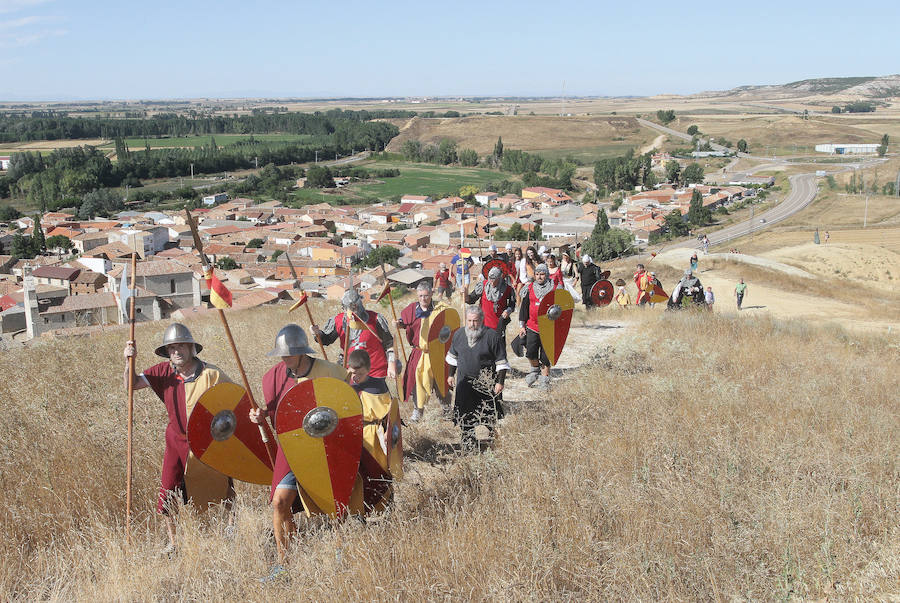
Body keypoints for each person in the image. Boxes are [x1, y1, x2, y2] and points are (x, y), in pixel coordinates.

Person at [123, 323, 233, 554]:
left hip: (208, 441)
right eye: (172, 347)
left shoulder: (212, 374)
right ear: (167, 352)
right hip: (176, 440)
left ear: (191, 347)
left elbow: (234, 402)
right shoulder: (163, 372)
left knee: (223, 485)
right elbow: (131, 385)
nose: (177, 351)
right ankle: (173, 542)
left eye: (181, 346)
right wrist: (128, 361)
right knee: (169, 489)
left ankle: (230, 529)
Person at [249, 324, 347, 580]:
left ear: (303, 352)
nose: (285, 360)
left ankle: (340, 551)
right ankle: (284, 563)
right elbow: (275, 416)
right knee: (279, 502)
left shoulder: (329, 371)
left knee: (332, 501)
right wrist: (259, 417)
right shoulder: (274, 378)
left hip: (325, 445)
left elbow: (348, 401)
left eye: (289, 354)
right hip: (291, 447)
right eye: (281, 355)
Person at [446, 305, 509, 450]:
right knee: (465, 413)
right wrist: (450, 375)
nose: (472, 324)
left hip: (485, 384)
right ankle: (469, 442)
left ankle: (495, 440)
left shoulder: (492, 336)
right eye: (469, 321)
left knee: (489, 414)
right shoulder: (459, 335)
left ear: (482, 320)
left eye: (475, 321)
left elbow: (502, 363)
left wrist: (500, 382)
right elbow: (453, 358)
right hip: (464, 383)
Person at [346, 350, 399, 514]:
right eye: (353, 372)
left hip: (375, 437)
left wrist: (387, 432)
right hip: (354, 437)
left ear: (368, 370)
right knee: (358, 476)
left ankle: (385, 509)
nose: (355, 377)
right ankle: (358, 513)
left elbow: (390, 413)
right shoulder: (344, 386)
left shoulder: (379, 385)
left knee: (380, 472)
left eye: (359, 373)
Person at [313, 288, 396, 380]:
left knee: (375, 394)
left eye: (355, 307)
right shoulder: (339, 321)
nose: (353, 311)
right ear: (343, 308)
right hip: (350, 372)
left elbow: (389, 344)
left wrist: (391, 363)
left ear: (360, 305)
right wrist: (317, 333)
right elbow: (326, 339)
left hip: (375, 371)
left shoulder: (375, 319)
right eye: (349, 308)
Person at [397, 282, 449, 422]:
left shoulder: (440, 308)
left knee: (440, 382)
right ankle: (417, 411)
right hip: (419, 353)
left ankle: (447, 409)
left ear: (431, 294)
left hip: (436, 353)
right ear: (417, 295)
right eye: (420, 296)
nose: (423, 299)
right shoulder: (412, 309)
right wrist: (398, 324)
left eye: (426, 296)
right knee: (416, 382)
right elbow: (404, 322)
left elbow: (450, 326)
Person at [518, 264, 558, 387]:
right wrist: (522, 325)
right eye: (537, 274)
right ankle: (535, 369)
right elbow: (524, 308)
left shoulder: (555, 288)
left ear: (546, 274)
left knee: (546, 356)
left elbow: (563, 307)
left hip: (548, 328)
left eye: (542, 274)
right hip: (532, 326)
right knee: (530, 352)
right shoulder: (529, 288)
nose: (539, 277)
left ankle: (544, 379)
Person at [466, 265, 516, 339]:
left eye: (494, 279)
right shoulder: (483, 285)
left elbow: (512, 304)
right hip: (483, 325)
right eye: (490, 279)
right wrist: (465, 295)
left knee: (498, 349)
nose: (491, 282)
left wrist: (508, 311)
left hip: (499, 326)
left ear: (499, 278)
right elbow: (471, 300)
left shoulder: (507, 288)